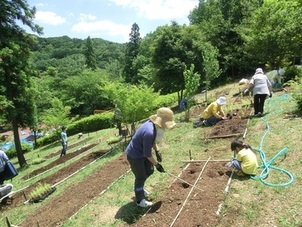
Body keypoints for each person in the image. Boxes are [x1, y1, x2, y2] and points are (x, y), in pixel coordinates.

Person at [125, 107, 176, 208]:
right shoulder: (149, 131)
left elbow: (152, 142)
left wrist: (157, 151)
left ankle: (139, 186)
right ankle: (139, 200)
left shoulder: (153, 126)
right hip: (135, 155)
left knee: (149, 171)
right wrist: (157, 165)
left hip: (142, 153)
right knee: (141, 176)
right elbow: (147, 154)